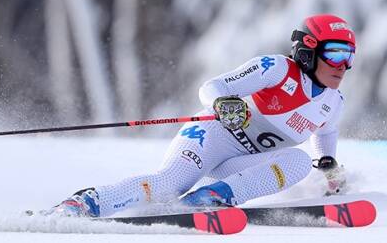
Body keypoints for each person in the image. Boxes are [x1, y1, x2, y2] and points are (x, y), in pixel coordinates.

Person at [44, 14, 356, 217]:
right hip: (213, 137)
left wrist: (327, 162)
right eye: (336, 53)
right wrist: (223, 103)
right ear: (308, 50)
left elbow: (325, 132)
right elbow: (212, 86)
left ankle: (210, 199)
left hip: (239, 163)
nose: (343, 65)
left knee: (300, 161)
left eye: (349, 56)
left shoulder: (333, 102)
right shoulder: (275, 69)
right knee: (170, 183)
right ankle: (84, 203)